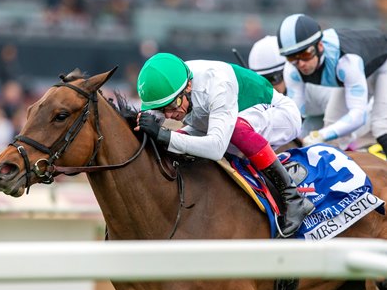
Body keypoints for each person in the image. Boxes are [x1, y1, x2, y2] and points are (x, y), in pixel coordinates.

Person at [134, 52, 315, 238]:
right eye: (164, 109)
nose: (170, 115)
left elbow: (216, 147)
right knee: (176, 142)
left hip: (280, 115)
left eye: (174, 106)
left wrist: (164, 135)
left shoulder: (218, 84)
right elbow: (153, 119)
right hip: (222, 121)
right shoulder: (170, 86)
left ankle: (293, 197)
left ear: (188, 86)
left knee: (232, 130)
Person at [277, 13, 387, 155]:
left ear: (320, 46)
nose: (301, 64)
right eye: (292, 57)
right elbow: (295, 113)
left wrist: (320, 135)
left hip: (382, 63)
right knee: (331, 126)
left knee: (381, 126)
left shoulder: (347, 62)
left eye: (305, 54)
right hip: (360, 69)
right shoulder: (292, 69)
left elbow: (359, 116)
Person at [248, 35, 334, 138]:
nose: (267, 88)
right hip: (311, 118)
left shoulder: (319, 89)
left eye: (273, 79)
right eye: (260, 82)